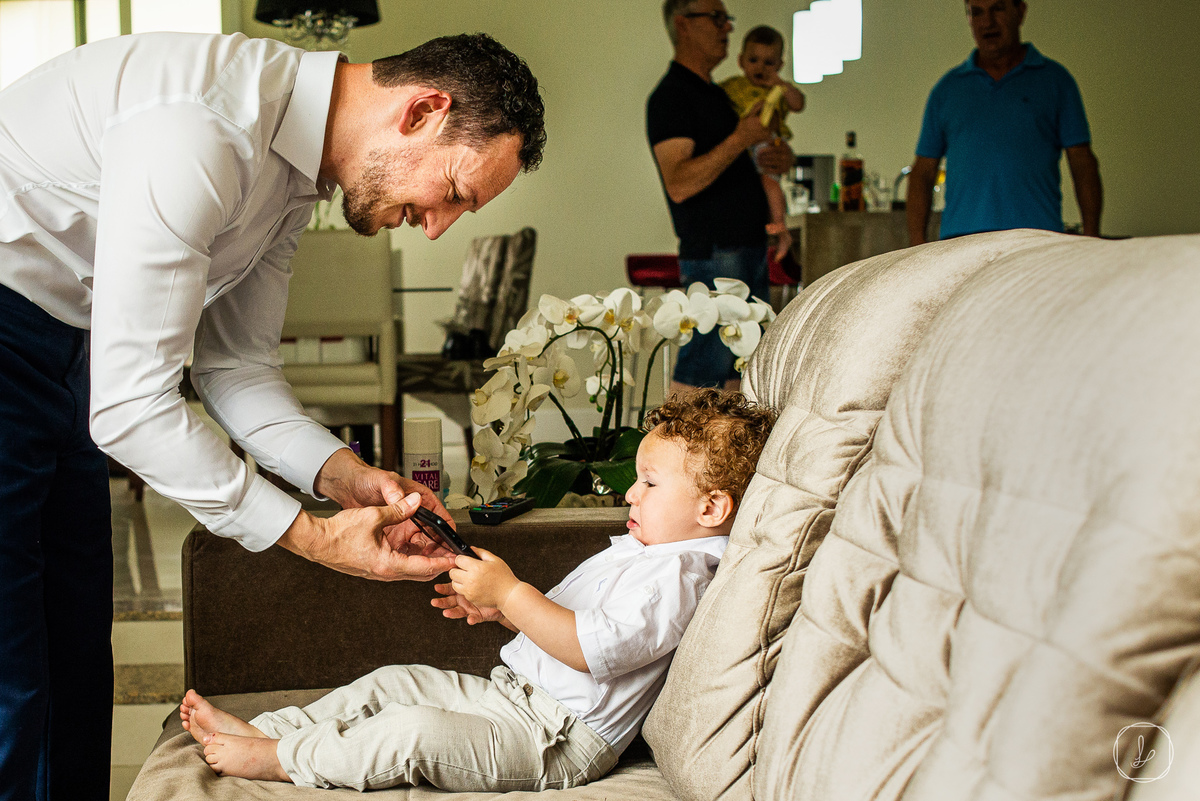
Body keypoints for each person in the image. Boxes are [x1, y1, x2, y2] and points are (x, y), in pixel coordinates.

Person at [0, 31, 544, 800]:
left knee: (77, 647)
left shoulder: (296, 175)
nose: (437, 225)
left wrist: (347, 477)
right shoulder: (203, 127)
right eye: (454, 190)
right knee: (12, 665)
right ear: (423, 110)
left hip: (66, 346)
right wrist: (314, 537)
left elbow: (234, 366)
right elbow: (132, 408)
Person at [177, 388, 777, 792]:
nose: (630, 494)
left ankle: (281, 761)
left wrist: (512, 592)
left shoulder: (681, 573)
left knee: (412, 732)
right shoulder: (651, 551)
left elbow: (597, 650)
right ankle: (275, 729)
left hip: (553, 741)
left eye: (648, 483)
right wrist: (501, 611)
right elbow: (570, 629)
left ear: (711, 507)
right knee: (395, 681)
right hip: (517, 697)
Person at [648, 0, 792, 393]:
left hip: (747, 245)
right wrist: (740, 139)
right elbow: (679, 182)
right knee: (704, 365)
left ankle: (726, 456)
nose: (728, 27)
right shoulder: (672, 96)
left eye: (727, 18)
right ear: (684, 25)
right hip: (714, 251)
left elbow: (741, 163)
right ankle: (676, 454)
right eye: (716, 17)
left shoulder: (719, 95)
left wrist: (777, 157)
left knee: (742, 368)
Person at [907, 0, 1102, 245]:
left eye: (997, 8)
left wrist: (1092, 238)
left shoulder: (1055, 81)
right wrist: (916, 246)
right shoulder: (947, 90)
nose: (987, 22)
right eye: (976, 12)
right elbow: (923, 172)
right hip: (960, 245)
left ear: (1020, 12)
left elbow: (1082, 164)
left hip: (1036, 241)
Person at [720, 25, 806, 261]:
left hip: (768, 143)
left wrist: (781, 84)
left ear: (779, 65)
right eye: (754, 60)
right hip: (742, 145)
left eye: (769, 63)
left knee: (770, 183)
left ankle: (779, 227)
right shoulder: (733, 86)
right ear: (741, 60)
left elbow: (798, 104)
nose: (760, 67)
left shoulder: (777, 88)